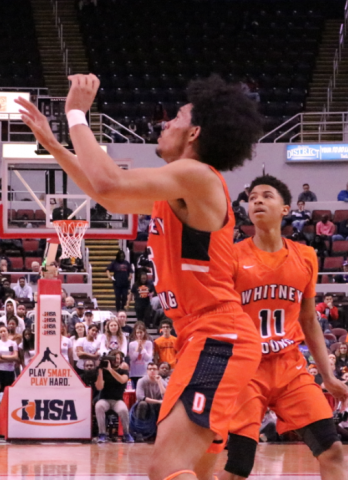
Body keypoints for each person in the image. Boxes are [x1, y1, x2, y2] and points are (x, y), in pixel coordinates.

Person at [18, 74, 264, 480]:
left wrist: (77, 112)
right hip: (204, 338)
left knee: (166, 468)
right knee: (199, 473)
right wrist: (52, 144)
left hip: (218, 335)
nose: (164, 122)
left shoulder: (197, 176)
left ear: (195, 132)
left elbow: (107, 181)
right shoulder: (179, 186)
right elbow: (107, 195)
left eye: (176, 118)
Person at [197, 176, 348, 480]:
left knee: (332, 450)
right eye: (252, 197)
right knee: (239, 467)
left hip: (289, 367)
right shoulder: (231, 256)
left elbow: (309, 320)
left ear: (285, 209)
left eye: (267, 196)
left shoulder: (305, 256)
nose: (257, 201)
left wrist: (328, 376)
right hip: (245, 369)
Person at [94, 350, 132, 443]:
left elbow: (122, 380)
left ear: (121, 360)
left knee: (123, 409)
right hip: (105, 399)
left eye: (118, 358)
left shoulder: (123, 371)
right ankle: (102, 433)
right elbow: (99, 387)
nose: (116, 360)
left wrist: (110, 370)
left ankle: (126, 434)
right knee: (99, 406)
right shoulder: (103, 371)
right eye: (114, 358)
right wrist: (100, 370)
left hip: (117, 400)